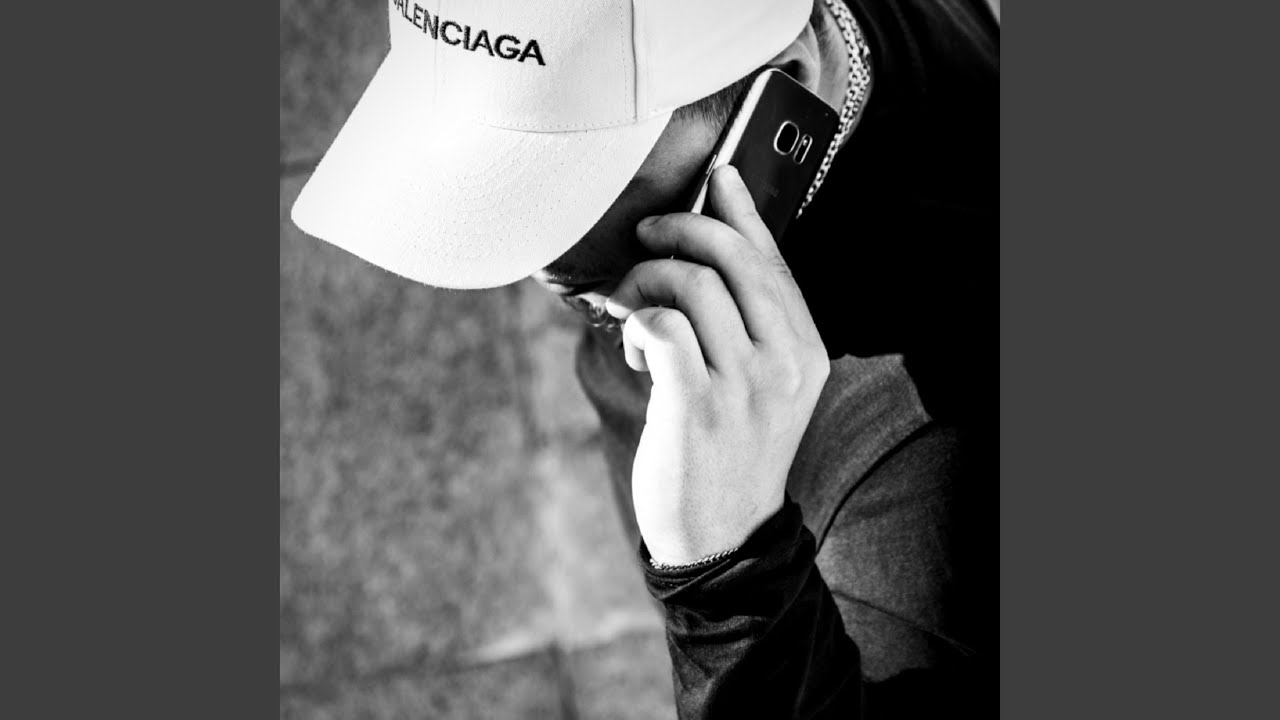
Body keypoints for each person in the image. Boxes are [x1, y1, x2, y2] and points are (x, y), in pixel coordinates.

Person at [292, 0, 998, 716]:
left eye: (584, 177)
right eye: (500, 170)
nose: (537, 262)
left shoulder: (926, 495)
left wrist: (727, 579)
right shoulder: (847, 48)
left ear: (789, 77)